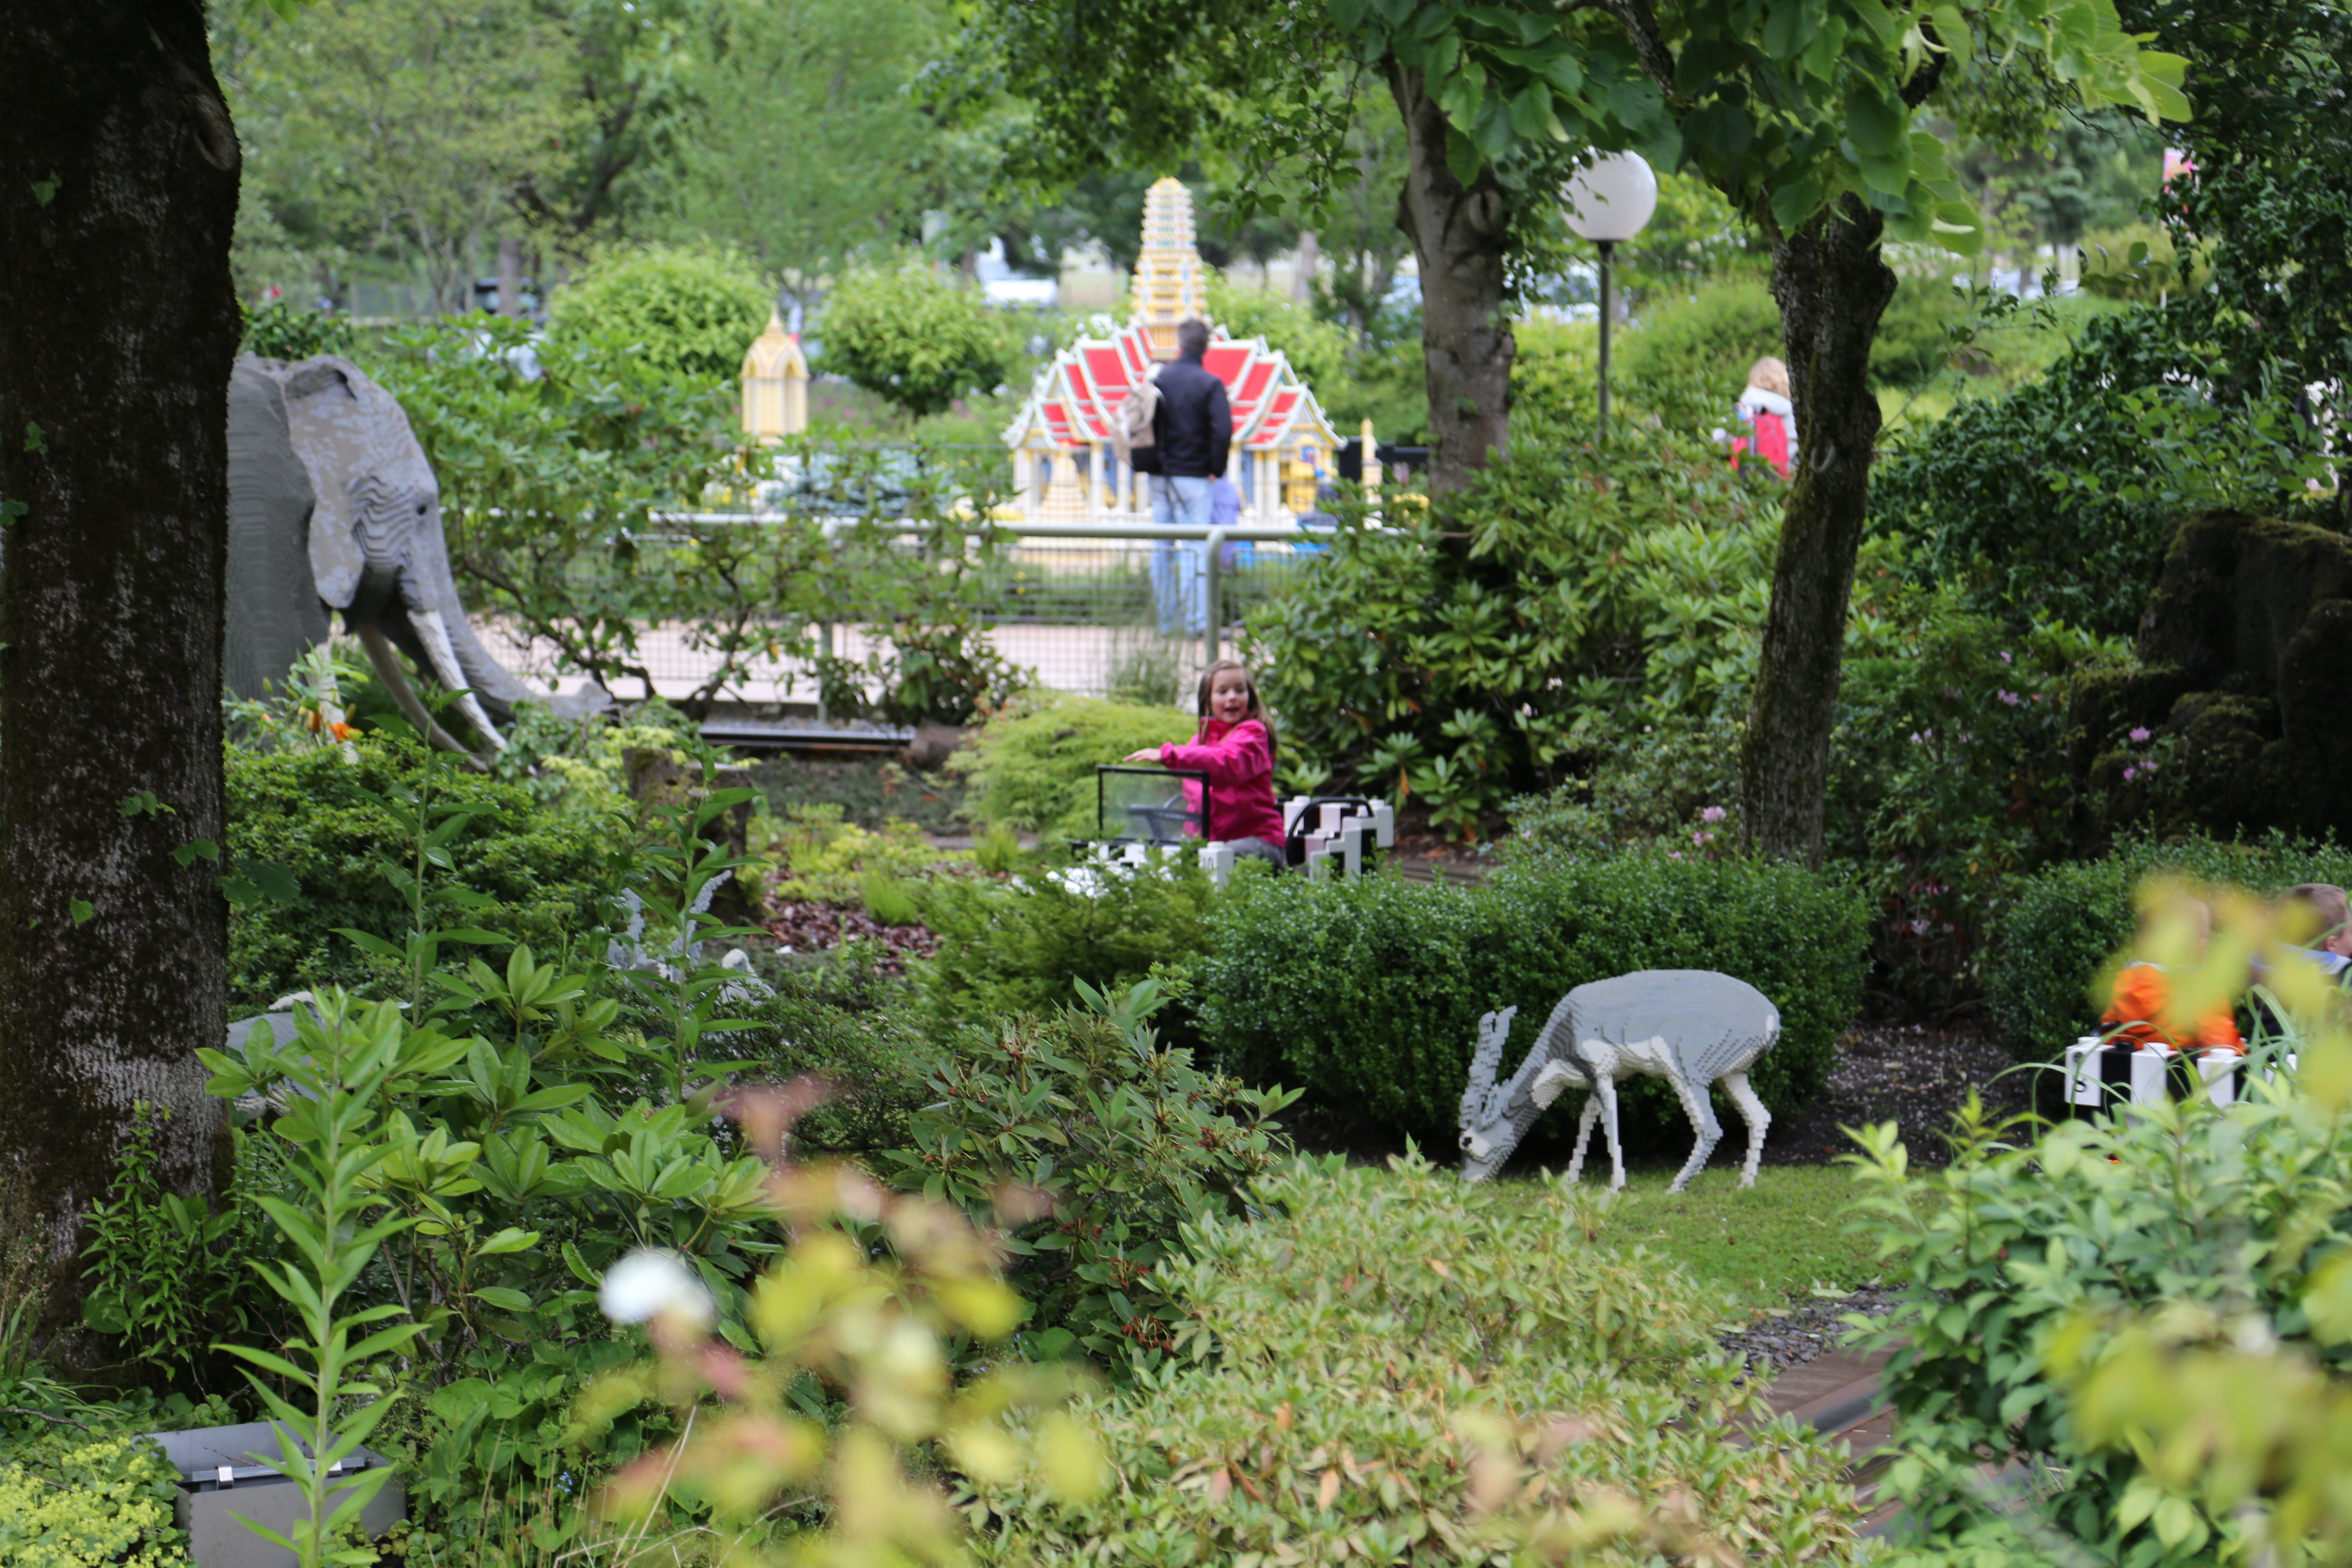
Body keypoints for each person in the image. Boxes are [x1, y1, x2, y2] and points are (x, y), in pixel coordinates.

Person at [1122, 658, 1286, 867]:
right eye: (1223, 691)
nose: (1233, 697)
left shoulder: (1253, 734)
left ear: (1250, 696)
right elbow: (1193, 800)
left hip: (1259, 842)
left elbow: (1226, 764)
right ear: (1207, 700)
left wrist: (1170, 756)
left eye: (1240, 690)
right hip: (1212, 844)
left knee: (1214, 861)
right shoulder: (1199, 741)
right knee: (1158, 859)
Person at [1148, 318, 1231, 636]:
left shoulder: (1159, 379)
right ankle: (1197, 623)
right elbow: (1223, 430)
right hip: (1195, 478)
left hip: (1159, 477)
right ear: (1206, 348)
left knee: (1162, 548)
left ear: (1179, 345)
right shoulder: (1209, 384)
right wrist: (1216, 468)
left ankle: (1166, 624)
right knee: (1196, 549)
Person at [2101, 893, 2245, 1056]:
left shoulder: (2126, 984)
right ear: (2195, 945)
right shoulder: (2202, 990)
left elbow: (2108, 1038)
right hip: (2185, 1077)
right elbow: (2223, 1049)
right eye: (2205, 936)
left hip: (2126, 1077)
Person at [1727, 357, 1797, 478]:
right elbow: (1796, 445)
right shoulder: (1790, 410)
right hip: (1781, 480)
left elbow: (1718, 439)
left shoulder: (1741, 408)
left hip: (1742, 480)